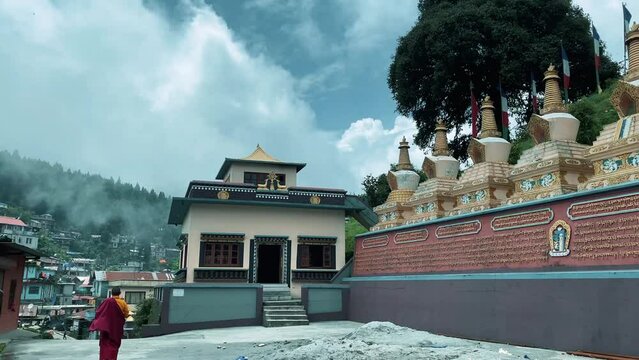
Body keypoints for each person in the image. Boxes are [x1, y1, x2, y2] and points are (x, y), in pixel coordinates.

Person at [89, 287, 130, 360]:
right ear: (119, 293)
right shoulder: (122, 303)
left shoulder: (106, 301)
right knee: (114, 343)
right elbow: (126, 314)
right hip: (116, 327)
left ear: (111, 293)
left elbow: (99, 312)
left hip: (106, 327)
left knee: (105, 343)